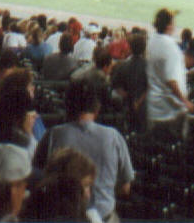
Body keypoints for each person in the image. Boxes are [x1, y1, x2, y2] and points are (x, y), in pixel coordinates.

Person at [35, 79, 134, 223]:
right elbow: (125, 187)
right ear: (97, 108)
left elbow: (38, 178)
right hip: (105, 217)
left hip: (62, 216)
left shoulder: (53, 135)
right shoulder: (113, 137)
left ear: (68, 106)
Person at [146, 8, 194, 138]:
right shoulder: (170, 46)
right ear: (168, 26)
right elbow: (171, 80)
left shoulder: (152, 40)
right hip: (169, 111)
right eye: (173, 22)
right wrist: (185, 102)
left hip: (154, 107)